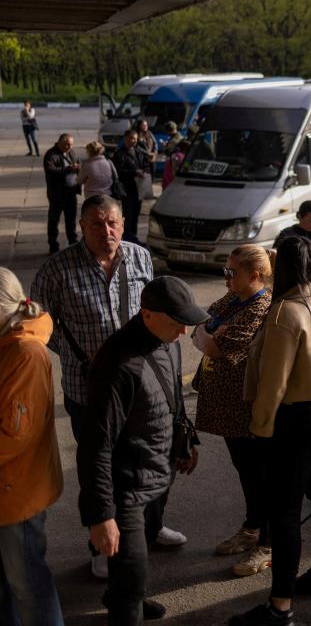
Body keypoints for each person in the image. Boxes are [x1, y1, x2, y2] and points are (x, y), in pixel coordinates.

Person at [31, 195, 187, 580]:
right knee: (101, 465)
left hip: (141, 385)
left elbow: (155, 312)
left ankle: (150, 527)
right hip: (89, 390)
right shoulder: (57, 270)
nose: (108, 232)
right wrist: (76, 354)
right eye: (98, 224)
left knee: (148, 461)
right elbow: (41, 325)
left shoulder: (139, 257)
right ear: (81, 226)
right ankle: (101, 543)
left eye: (113, 223)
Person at [232, 236, 311, 626]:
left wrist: (260, 425)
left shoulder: (285, 311)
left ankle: (280, 607)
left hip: (296, 416)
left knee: (284, 511)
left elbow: (273, 382)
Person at [79, 276, 206, 626]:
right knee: (132, 574)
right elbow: (95, 446)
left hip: (156, 477)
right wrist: (101, 515)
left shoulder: (168, 341)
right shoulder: (116, 364)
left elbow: (171, 398)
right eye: (175, 323)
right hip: (126, 491)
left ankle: (123, 594)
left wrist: (187, 439)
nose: (183, 332)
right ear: (146, 314)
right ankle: (126, 603)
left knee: (135, 567)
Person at [191, 245, 273, 577]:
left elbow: (213, 343)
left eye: (231, 272)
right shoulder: (233, 300)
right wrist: (207, 332)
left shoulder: (260, 308)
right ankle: (252, 527)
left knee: (261, 474)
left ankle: (267, 543)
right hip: (226, 407)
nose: (225, 277)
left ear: (254, 276)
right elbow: (204, 322)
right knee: (245, 469)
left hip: (245, 405)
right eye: (226, 270)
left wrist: (208, 335)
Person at [0, 268, 65, 626]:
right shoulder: (7, 341)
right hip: (8, 488)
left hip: (16, 492)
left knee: (27, 585)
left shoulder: (25, 352)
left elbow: (14, 436)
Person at [43, 133, 81, 254]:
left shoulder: (72, 152)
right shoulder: (51, 154)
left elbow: (79, 163)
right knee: (54, 220)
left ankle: (73, 243)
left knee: (71, 220)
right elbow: (50, 171)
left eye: (70, 144)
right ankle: (53, 245)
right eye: (66, 144)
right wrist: (69, 168)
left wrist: (78, 167)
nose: (69, 147)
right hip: (57, 193)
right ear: (59, 142)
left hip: (71, 192)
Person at [111, 129, 151, 244]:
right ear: (125, 139)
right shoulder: (119, 154)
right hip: (127, 189)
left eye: (135, 139)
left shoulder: (139, 152)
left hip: (139, 188)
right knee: (128, 214)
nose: (133, 141)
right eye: (131, 138)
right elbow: (118, 172)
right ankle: (127, 238)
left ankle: (134, 237)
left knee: (136, 214)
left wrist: (145, 171)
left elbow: (146, 165)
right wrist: (134, 172)